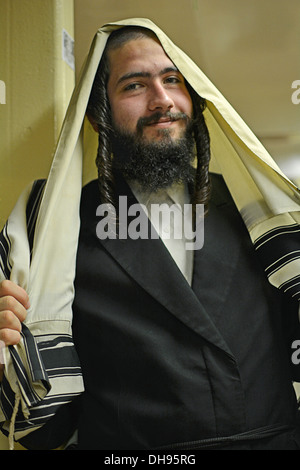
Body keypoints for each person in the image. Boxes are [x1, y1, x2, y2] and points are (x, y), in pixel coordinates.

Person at [0, 18, 300, 450]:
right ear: (97, 116)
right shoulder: (56, 231)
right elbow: (47, 430)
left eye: (173, 80)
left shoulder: (259, 214)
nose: (163, 100)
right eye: (135, 86)